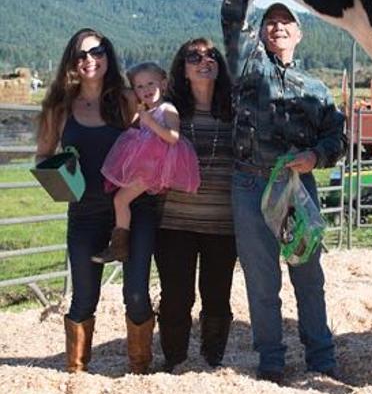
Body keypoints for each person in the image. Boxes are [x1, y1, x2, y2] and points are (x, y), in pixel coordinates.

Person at [222, 0, 346, 384]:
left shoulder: (315, 88)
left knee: (308, 278)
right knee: (261, 282)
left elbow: (337, 138)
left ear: (299, 34)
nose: (276, 26)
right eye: (270, 21)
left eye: (285, 22)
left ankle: (322, 359)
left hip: (298, 186)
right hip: (250, 182)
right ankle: (271, 362)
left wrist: (316, 157)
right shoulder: (247, 67)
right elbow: (235, 13)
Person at [35, 29, 159, 374]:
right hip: (85, 213)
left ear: (109, 54)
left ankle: (139, 370)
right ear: (71, 62)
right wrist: (60, 181)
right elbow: (43, 156)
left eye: (97, 51)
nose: (90, 59)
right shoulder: (59, 109)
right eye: (81, 54)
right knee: (83, 299)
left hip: (134, 211)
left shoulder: (127, 99)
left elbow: (155, 138)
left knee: (136, 295)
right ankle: (76, 373)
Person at [154, 38, 238, 372]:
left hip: (223, 222)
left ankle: (211, 359)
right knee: (176, 297)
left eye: (211, 55)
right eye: (194, 57)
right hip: (174, 221)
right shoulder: (169, 112)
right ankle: (175, 360)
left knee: (217, 296)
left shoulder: (236, 111)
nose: (204, 60)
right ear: (182, 69)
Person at [93, 62, 200, 263]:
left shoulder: (167, 109)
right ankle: (119, 243)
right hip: (146, 167)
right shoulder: (146, 111)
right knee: (119, 198)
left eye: (151, 84)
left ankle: (118, 247)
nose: (146, 90)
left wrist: (150, 123)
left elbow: (173, 137)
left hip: (153, 169)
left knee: (120, 200)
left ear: (164, 84)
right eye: (139, 87)